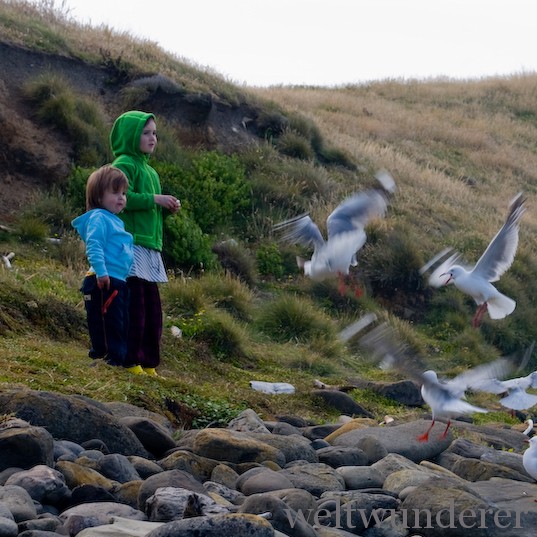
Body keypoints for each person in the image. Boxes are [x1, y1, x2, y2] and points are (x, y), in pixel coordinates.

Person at [109, 110, 181, 377]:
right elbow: (122, 198)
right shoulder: (123, 164)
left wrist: (166, 207)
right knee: (134, 306)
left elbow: (150, 205)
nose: (153, 138)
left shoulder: (150, 170)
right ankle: (130, 360)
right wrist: (155, 200)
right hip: (130, 245)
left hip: (150, 247)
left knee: (152, 309)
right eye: (146, 132)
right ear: (131, 135)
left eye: (155, 133)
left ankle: (149, 362)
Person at [72, 165, 134, 370]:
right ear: (98, 196)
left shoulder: (115, 221)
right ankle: (110, 356)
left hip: (117, 279)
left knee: (119, 318)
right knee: (108, 320)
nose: (121, 197)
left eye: (123, 193)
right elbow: (94, 245)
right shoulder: (99, 217)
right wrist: (101, 272)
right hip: (104, 278)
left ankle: (114, 354)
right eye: (115, 192)